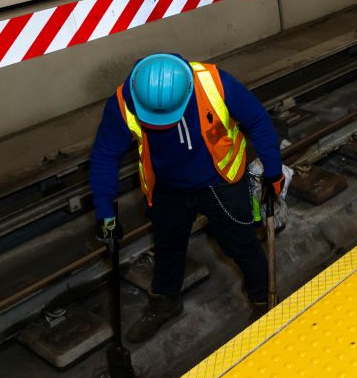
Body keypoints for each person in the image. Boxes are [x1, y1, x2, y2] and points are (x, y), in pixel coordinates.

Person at [89, 53, 284, 342]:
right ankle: (165, 301)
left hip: (220, 180)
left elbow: (258, 121)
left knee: (242, 244)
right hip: (167, 188)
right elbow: (105, 155)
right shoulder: (123, 102)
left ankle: (263, 302)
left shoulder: (214, 83)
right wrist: (105, 212)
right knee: (168, 248)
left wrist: (273, 171)